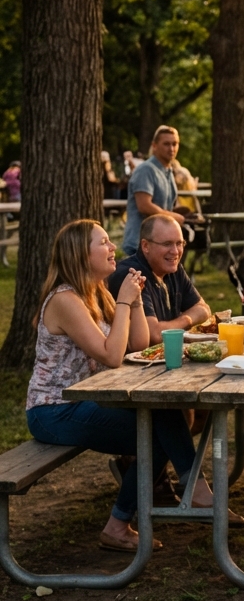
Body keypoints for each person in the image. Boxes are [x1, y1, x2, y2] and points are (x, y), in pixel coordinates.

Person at [25, 219, 224, 552]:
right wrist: (123, 301)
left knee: (165, 413)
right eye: (103, 242)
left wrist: (132, 301)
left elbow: (139, 344)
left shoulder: (94, 292)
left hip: (89, 400)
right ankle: (122, 522)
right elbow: (112, 355)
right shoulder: (65, 299)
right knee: (155, 433)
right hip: (55, 410)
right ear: (79, 254)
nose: (113, 247)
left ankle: (195, 490)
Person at [107, 213, 211, 345]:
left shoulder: (173, 267)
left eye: (179, 243)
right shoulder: (132, 275)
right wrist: (187, 320)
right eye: (167, 244)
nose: (175, 251)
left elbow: (203, 309)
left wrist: (173, 325)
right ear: (145, 246)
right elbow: (154, 335)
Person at [123, 126, 186, 256]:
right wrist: (173, 217)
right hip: (139, 246)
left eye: (175, 144)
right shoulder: (145, 170)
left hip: (158, 246)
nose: (172, 148)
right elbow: (144, 206)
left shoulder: (167, 171)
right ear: (154, 145)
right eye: (166, 144)